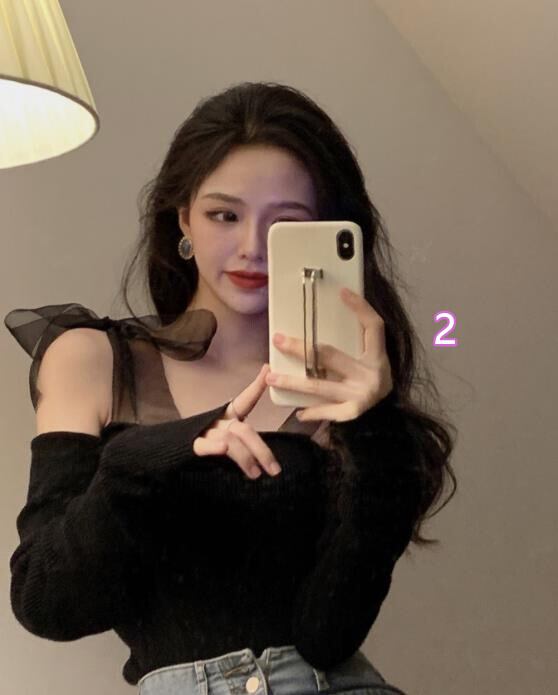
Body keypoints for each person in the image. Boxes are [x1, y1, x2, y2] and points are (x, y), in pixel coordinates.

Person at [5, 81, 457, 694]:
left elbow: (329, 634)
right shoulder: (91, 360)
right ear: (183, 218)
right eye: (225, 215)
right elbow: (47, 601)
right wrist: (152, 457)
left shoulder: (347, 392)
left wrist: (375, 432)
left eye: (286, 224)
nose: (252, 248)